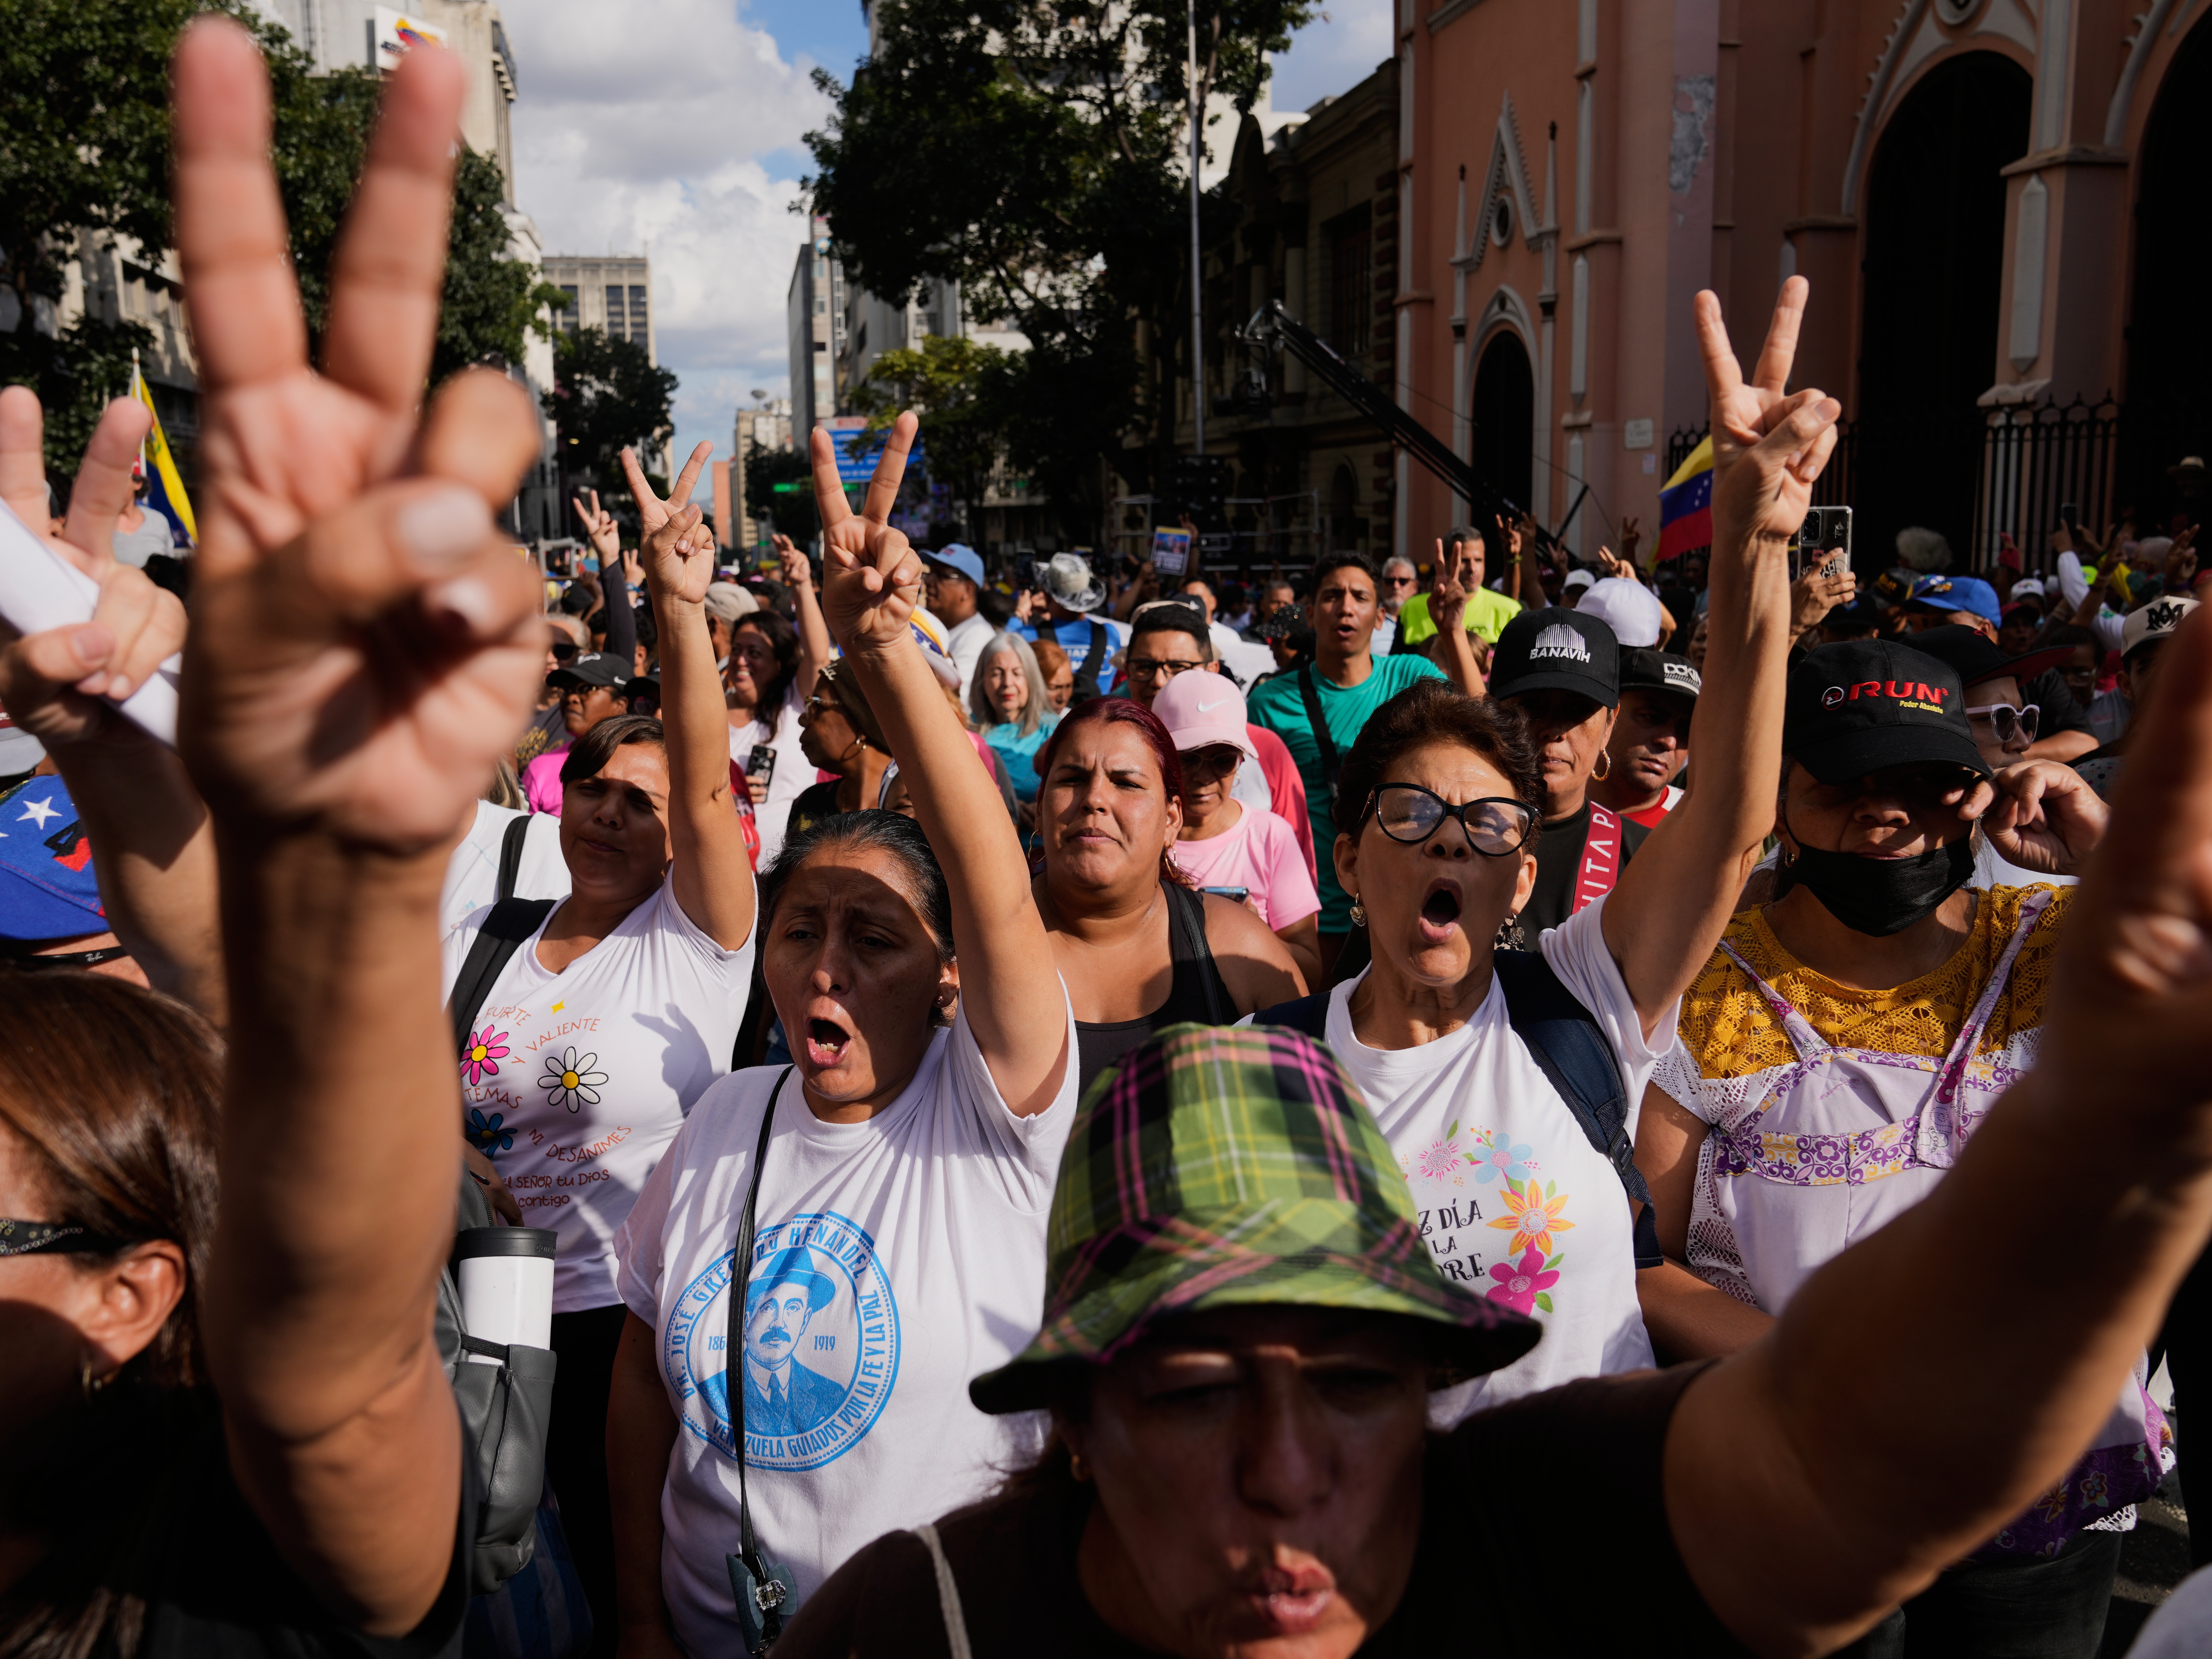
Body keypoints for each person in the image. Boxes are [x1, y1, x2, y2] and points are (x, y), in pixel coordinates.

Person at [781, 681, 2212, 1659]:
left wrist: (2127, 1128)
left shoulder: (1546, 1517)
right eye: (1193, 1388)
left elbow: (1863, 1455)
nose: (1283, 1477)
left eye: (1352, 1381)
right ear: (1078, 1422)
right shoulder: (929, 1626)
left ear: (1428, 1384)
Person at [0, 23, 585, 1651]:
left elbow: (329, 1377)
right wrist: (86, 739)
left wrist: (350, 930)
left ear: (144, 1296)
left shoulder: (233, 1532)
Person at [1262, 278, 1824, 1414]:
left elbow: (1727, 825)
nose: (1448, 845)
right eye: (1410, 814)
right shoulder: (1265, 1070)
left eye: (1487, 825)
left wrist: (1752, 543)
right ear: (1347, 855)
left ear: (1521, 875)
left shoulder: (1575, 1003)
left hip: (1579, 1550)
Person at [604, 411, 1080, 1644]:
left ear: (946, 976)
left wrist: (879, 646)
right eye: (801, 928)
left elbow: (996, 883)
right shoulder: (719, 1120)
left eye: (872, 940)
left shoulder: (998, 1115)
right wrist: (639, 1611)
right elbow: (642, 1380)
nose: (824, 966)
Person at [1635, 640, 2155, 1654]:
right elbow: (1643, 1259)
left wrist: (2110, 854)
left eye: (1927, 782)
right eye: (1845, 784)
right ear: (1779, 797)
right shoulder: (1703, 987)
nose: (1888, 813)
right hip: (1813, 1487)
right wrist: (1825, 1375)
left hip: (2043, 1495)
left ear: (1979, 791)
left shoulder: (2065, 938)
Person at [443, 441, 760, 1651]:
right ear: (554, 795)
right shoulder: (487, 917)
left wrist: (676, 606)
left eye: (648, 798)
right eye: (592, 787)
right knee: (505, 1581)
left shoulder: (701, 940)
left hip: (635, 1328)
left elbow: (695, 766)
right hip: (487, 1308)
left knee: (642, 1596)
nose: (614, 811)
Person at [1031, 695, 1305, 1094]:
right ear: (1040, 808)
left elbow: (1307, 1118)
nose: (1093, 799)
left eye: (1125, 783)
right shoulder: (971, 939)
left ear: (1170, 820)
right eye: (1072, 778)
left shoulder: (1240, 950)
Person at [1248, 554, 1474, 977]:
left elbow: (1482, 727)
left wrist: (1452, 631)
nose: (1345, 607)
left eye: (1360, 597)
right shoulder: (1267, 703)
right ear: (1311, 614)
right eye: (1332, 596)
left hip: (1401, 905)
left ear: (1381, 616)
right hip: (1307, 917)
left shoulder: (1411, 676)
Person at [1483, 605, 1653, 943]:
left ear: (1609, 725)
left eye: (1577, 709)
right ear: (1491, 713)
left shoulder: (1644, 860)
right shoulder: (1440, 838)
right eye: (1532, 705)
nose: (1555, 729)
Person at [1121, 597, 1316, 876]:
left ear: (1212, 670)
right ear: (1128, 671)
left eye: (1178, 666)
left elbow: (1297, 873)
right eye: (1144, 666)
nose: (1160, 681)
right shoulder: (1110, 749)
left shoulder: (1264, 749)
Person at [1151, 671, 1321, 987]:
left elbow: (1310, 969)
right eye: (1188, 759)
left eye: (1223, 760)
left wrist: (1252, 934)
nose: (1204, 776)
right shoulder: (1140, 835)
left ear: (1241, 761)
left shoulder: (1271, 835)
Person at [1894, 623, 2084, 888]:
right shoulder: (1883, 849)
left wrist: (2097, 851)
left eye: (2022, 717)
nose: (2022, 742)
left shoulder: (2049, 836)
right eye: (1998, 718)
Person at [1906, 574, 2098, 764]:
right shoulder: (1910, 679)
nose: (2023, 741)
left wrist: (2003, 760)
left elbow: (2084, 743)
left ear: (1983, 629)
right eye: (1926, 623)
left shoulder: (2039, 677)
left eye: (1942, 624)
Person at [729, 538, 829, 863]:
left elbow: (818, 656)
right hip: (728, 871)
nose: (741, 661)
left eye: (755, 653)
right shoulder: (712, 710)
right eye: (737, 650)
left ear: (780, 662)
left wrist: (801, 585)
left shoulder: (794, 704)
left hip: (791, 870)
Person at [2074, 594, 2200, 801]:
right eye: (2148, 668)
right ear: (2126, 685)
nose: (2165, 677)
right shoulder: (2087, 787)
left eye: (2185, 660)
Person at [1592, 647, 1699, 827]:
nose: (1670, 742)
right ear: (1609, 716)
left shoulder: (1700, 827)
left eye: (1685, 730)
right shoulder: (1543, 800)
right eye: (1652, 718)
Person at [520, 647, 632, 813]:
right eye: (567, 689)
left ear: (620, 706)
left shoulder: (641, 766)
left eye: (587, 689)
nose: (572, 698)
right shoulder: (540, 768)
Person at [968, 628, 1058, 818]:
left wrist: (1045, 806)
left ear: (1031, 680)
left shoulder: (1054, 731)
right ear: (982, 680)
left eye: (1017, 673)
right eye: (997, 673)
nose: (1007, 683)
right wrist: (1006, 804)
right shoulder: (967, 732)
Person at [1394, 529, 1521, 655]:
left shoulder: (1509, 610)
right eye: (1464, 561)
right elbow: (1397, 666)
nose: (1472, 569)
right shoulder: (1412, 608)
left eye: (1478, 560)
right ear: (1446, 562)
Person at [1019, 553, 1127, 700]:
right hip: (1099, 718)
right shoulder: (1110, 634)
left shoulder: (1027, 636)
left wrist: (1019, 613)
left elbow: (999, 652)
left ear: (1047, 594)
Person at [921, 543, 993, 700]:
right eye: (930, 573)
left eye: (941, 575)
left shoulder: (978, 638)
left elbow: (955, 702)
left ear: (967, 589)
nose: (928, 581)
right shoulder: (943, 629)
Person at [1373, 554, 1417, 653]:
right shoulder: (1369, 619)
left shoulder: (1421, 620)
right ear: (1381, 585)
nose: (1396, 586)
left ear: (1415, 587)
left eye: (1403, 581)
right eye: (1390, 581)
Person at [1032, 636, 1075, 713]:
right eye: (1054, 688)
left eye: (1069, 686)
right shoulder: (1008, 723)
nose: (1063, 698)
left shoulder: (1072, 720)